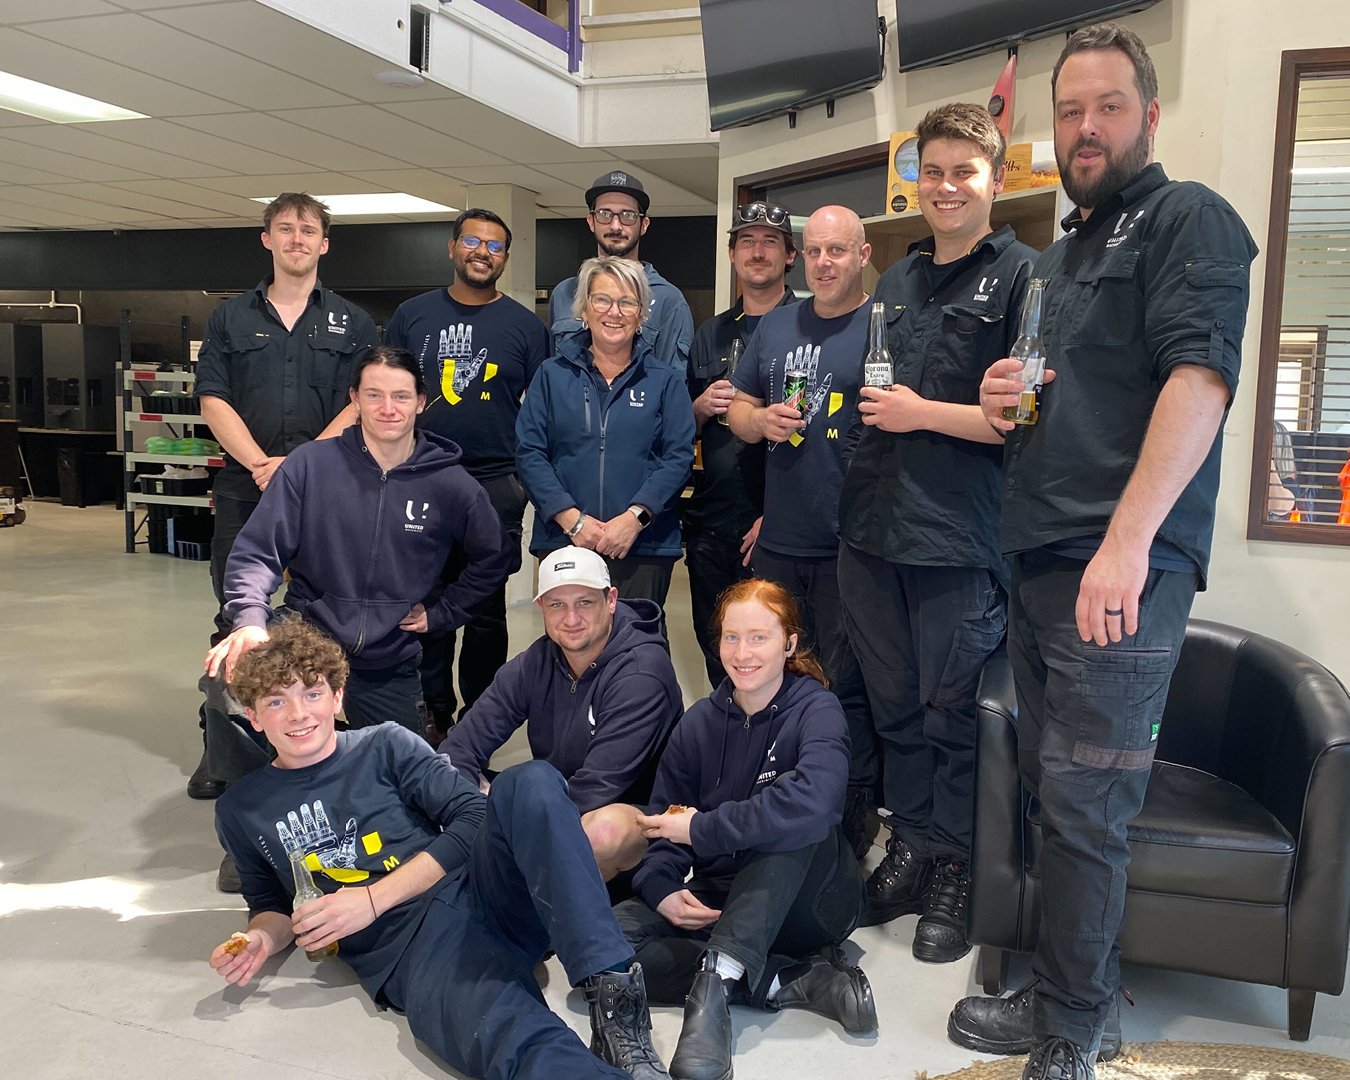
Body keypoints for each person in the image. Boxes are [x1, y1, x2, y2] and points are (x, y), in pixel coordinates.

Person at [948, 24, 1257, 1080]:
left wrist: (1125, 548)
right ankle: (1063, 989)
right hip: (1035, 562)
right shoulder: (1060, 257)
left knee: (1087, 808)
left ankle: (1078, 1032)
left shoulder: (1190, 222)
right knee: (1052, 794)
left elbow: (1198, 384)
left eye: (1108, 106)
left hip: (1117, 571)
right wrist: (1003, 401)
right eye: (1070, 109)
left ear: (1150, 116)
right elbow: (1048, 402)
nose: (1085, 126)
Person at [208, 617, 669, 1080]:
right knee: (520, 1044)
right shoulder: (241, 809)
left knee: (529, 782)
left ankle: (616, 1003)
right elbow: (270, 903)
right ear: (253, 715)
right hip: (414, 951)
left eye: (311, 693)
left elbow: (472, 818)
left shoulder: (385, 744)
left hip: (486, 892)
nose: (298, 714)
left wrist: (370, 900)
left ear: (337, 697)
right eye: (276, 701)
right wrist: (261, 939)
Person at [838, 103, 1037, 963]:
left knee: (952, 712)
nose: (947, 187)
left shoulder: (1027, 276)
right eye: (933, 171)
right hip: (873, 533)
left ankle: (956, 867)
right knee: (894, 711)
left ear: (995, 179)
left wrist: (922, 414)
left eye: (965, 171)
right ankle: (912, 847)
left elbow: (1020, 419)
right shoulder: (898, 281)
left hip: (958, 540)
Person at [614, 579, 876, 1080]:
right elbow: (665, 824)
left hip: (810, 898)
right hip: (725, 901)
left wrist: (704, 830)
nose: (742, 652)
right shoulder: (697, 726)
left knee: (789, 824)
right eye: (731, 638)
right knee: (607, 947)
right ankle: (787, 981)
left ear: (790, 643)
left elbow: (815, 806)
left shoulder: (817, 709)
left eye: (759, 637)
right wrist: (662, 887)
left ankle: (715, 986)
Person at [205, 345, 512, 737]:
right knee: (228, 678)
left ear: (420, 402)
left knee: (402, 779)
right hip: (309, 633)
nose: (388, 408)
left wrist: (444, 612)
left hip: (389, 653)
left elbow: (495, 556)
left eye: (401, 396)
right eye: (374, 395)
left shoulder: (450, 483)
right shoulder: (310, 465)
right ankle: (261, 791)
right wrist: (249, 620)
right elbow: (258, 551)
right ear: (355, 399)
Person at [188, 192, 378, 805]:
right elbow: (213, 397)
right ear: (266, 239)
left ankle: (315, 756)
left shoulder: (353, 322)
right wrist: (261, 465)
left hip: (329, 491)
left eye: (309, 230)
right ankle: (228, 757)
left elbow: (361, 403)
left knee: (322, 621)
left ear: (324, 243)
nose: (297, 238)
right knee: (238, 623)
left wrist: (299, 465)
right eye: (285, 228)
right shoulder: (229, 319)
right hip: (247, 489)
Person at [726, 205, 877, 859]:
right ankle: (782, 803)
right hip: (783, 542)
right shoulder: (777, 324)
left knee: (846, 689)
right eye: (814, 251)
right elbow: (734, 405)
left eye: (837, 251)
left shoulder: (882, 326)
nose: (824, 263)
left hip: (856, 543)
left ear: (863, 255)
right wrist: (757, 422)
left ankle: (849, 816)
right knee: (777, 680)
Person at [385, 208, 548, 734]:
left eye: (495, 246)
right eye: (473, 242)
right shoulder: (412, 315)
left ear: (505, 257)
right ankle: (432, 713)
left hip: (495, 484)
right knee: (426, 601)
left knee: (484, 611)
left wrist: (525, 480)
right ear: (453, 248)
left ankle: (479, 722)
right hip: (421, 477)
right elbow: (390, 394)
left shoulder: (525, 327)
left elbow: (540, 412)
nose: (483, 252)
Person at [439, 547, 683, 881]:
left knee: (600, 832)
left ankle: (551, 918)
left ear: (610, 600)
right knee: (443, 791)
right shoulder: (537, 662)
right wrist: (472, 803)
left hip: (634, 815)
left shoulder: (642, 674)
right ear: (541, 607)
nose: (570, 619)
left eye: (584, 602)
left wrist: (500, 809)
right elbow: (459, 748)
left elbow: (598, 788)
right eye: (557, 605)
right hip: (559, 801)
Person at [517, 255, 696, 608]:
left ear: (641, 313)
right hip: (564, 539)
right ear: (584, 309)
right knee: (570, 649)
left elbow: (677, 457)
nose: (614, 312)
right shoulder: (551, 376)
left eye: (627, 302)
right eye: (602, 299)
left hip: (644, 544)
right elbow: (530, 452)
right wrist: (572, 520)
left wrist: (634, 518)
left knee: (637, 652)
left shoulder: (665, 381)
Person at [683, 202, 799, 687]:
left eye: (770, 241)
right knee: (717, 641)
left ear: (790, 255)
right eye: (747, 242)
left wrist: (780, 515)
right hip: (711, 519)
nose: (758, 252)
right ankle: (730, 741)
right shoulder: (710, 333)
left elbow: (810, 436)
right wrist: (700, 407)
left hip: (778, 521)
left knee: (779, 646)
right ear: (731, 254)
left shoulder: (807, 327)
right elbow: (679, 427)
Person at [548, 170, 694, 374]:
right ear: (591, 221)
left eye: (627, 215)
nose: (615, 226)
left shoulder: (668, 300)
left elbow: (672, 386)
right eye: (605, 214)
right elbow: (552, 373)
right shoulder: (565, 293)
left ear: (643, 225)